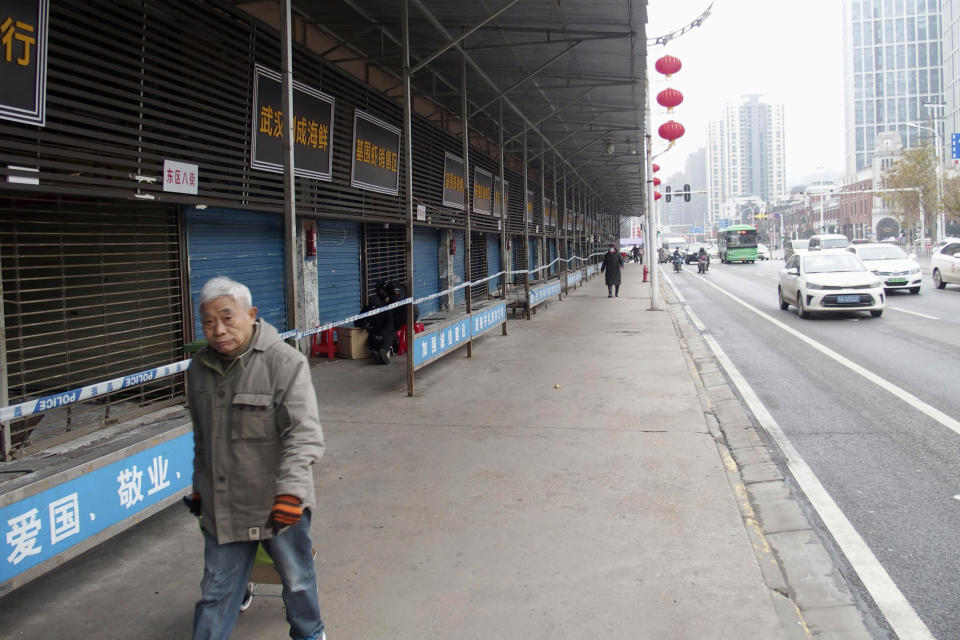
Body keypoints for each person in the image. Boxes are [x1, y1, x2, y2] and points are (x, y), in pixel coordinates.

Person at [186, 276, 326, 640]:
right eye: (208, 322)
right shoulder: (199, 369)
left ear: (251, 315)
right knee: (216, 591)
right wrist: (200, 489)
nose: (217, 330)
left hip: (277, 502)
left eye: (228, 318)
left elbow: (304, 435)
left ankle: (310, 635)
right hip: (224, 505)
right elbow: (203, 440)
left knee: (296, 582)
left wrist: (291, 494)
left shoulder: (284, 363)